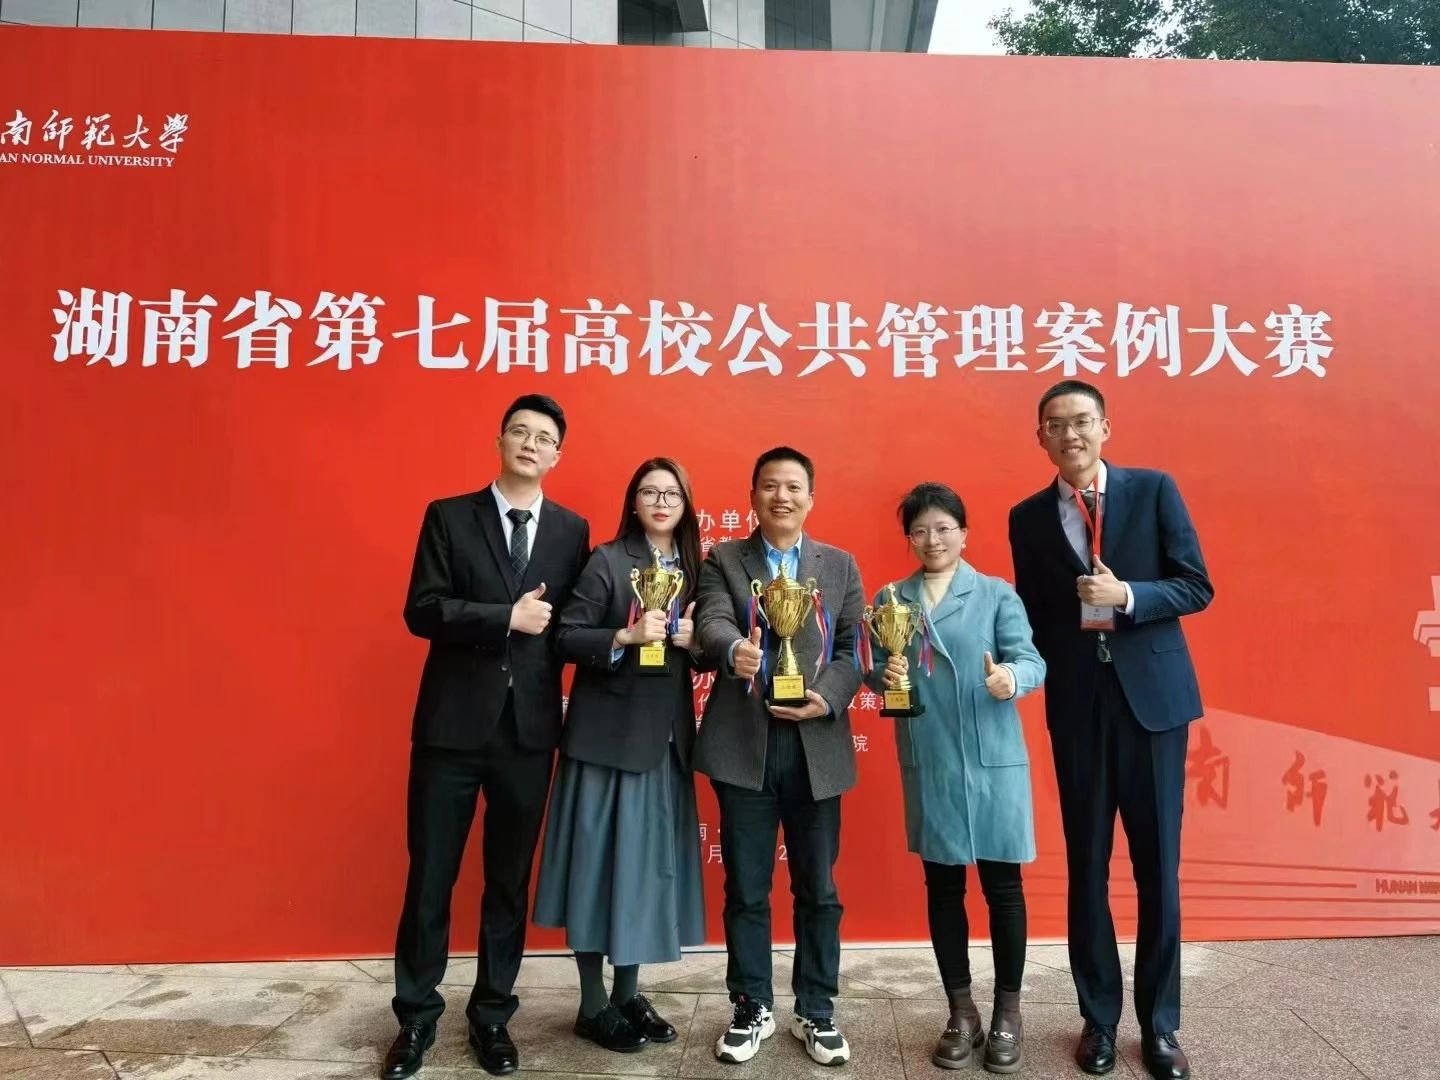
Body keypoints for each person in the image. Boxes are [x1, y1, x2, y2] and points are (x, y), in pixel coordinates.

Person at [1008, 380, 1213, 1080]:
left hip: (1152, 705)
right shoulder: (1028, 517)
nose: (1070, 434)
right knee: (1087, 867)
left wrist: (1126, 595)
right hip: (1079, 710)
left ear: (1105, 427)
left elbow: (1196, 585)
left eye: (1081, 421)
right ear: (1041, 437)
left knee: (1158, 868)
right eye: (1055, 425)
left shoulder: (1153, 490)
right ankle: (1098, 1021)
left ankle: (1160, 1026)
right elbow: (1034, 616)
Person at [383, 395, 590, 1080]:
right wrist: (504, 616)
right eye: (520, 432)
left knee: (507, 882)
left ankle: (493, 1015)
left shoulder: (571, 531)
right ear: (500, 441)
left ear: (558, 455)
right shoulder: (449, 516)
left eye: (544, 437)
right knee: (430, 877)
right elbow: (423, 609)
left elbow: (571, 627)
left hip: (528, 734)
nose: (531, 443)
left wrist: (632, 637)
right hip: (450, 731)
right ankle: (415, 1018)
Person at [693, 446, 866, 1068]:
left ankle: (816, 1009)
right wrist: (733, 648)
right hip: (745, 747)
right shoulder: (724, 559)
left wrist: (827, 698)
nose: (782, 496)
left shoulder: (839, 565)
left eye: (793, 487)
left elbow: (853, 648)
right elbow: (712, 620)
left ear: (810, 498)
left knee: (819, 888)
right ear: (753, 497)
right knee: (746, 887)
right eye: (770, 486)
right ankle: (751, 1007)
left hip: (817, 746)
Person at [533, 457, 711, 1053]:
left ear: (686, 505)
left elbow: (711, 648)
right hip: (606, 742)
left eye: (672, 494)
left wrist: (696, 642)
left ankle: (627, 995)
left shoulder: (696, 568)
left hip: (665, 743)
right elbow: (565, 636)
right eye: (649, 492)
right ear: (634, 502)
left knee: (642, 874)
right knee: (597, 871)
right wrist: (623, 637)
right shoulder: (608, 560)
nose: (661, 502)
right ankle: (591, 1004)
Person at [866, 482, 1045, 1074]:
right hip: (933, 759)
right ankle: (961, 1011)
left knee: (1003, 889)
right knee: (943, 890)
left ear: (964, 534)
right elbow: (875, 670)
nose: (932, 539)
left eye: (944, 528)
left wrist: (1010, 679)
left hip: (992, 761)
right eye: (920, 530)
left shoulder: (995, 594)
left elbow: (1032, 660)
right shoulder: (891, 598)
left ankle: (1008, 1013)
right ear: (909, 539)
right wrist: (883, 675)